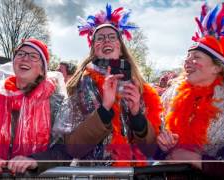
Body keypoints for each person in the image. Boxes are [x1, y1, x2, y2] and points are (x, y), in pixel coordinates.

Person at [53, 4, 162, 167]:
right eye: (100, 38)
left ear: (120, 45)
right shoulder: (80, 86)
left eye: (112, 37)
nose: (106, 40)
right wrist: (104, 110)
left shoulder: (140, 87)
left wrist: (136, 114)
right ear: (93, 48)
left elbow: (150, 149)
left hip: (134, 173)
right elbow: (73, 148)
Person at [156, 4, 224, 178]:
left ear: (216, 68)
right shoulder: (170, 96)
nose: (187, 62)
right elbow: (155, 148)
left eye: (196, 57)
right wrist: (163, 145)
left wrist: (199, 160)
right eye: (188, 57)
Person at [0, 38, 69, 178]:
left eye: (33, 56)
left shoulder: (56, 102)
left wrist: (35, 161)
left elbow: (65, 151)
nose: (25, 59)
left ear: (43, 70)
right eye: (21, 54)